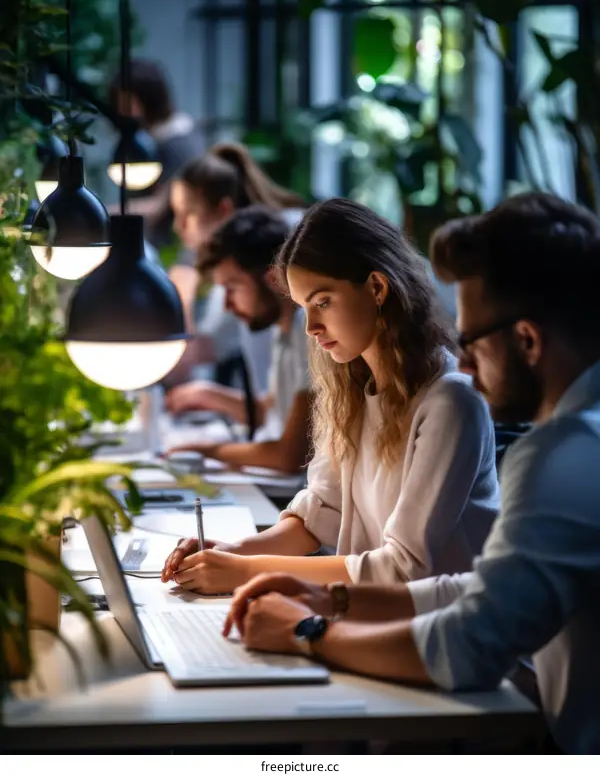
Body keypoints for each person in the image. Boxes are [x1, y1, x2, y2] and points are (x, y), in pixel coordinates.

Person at [221, 192, 600, 755]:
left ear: (527, 339)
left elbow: (468, 645)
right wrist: (328, 599)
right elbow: (471, 590)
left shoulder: (563, 452)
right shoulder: (579, 440)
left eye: (471, 343)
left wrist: (309, 632)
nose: (464, 363)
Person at [162, 198, 498, 595]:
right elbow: (317, 515)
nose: (312, 327)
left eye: (323, 302)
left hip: (434, 640)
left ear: (377, 287)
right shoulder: (352, 390)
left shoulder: (450, 402)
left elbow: (403, 569)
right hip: (368, 618)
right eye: (305, 307)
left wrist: (246, 570)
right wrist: (232, 553)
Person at [166, 205, 312, 474]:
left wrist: (207, 451)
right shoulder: (284, 331)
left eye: (231, 288)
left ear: (273, 280)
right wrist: (205, 393)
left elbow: (290, 455)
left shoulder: (310, 329)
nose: (227, 306)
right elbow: (268, 410)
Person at [166, 142, 306, 393]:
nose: (179, 227)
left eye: (188, 214)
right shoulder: (235, 265)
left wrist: (181, 295)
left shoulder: (289, 242)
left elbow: (190, 358)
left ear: (224, 210)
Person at [109, 58, 204, 247]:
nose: (122, 110)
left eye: (128, 102)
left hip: (171, 247)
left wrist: (104, 212)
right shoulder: (147, 138)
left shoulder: (176, 142)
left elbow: (159, 206)